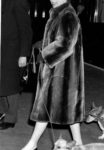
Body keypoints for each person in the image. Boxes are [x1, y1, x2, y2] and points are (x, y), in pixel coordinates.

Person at [21, 0, 85, 149]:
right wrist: (43, 44)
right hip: (62, 71)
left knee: (45, 107)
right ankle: (80, 145)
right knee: (70, 110)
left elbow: (65, 44)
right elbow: (58, 39)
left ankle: (32, 144)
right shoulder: (58, 13)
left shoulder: (67, 14)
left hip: (61, 73)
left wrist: (44, 55)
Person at [0, 0, 32, 129]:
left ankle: (10, 119)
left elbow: (26, 30)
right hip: (1, 50)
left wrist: (24, 54)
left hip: (12, 52)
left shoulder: (17, 2)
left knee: (11, 85)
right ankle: (2, 112)